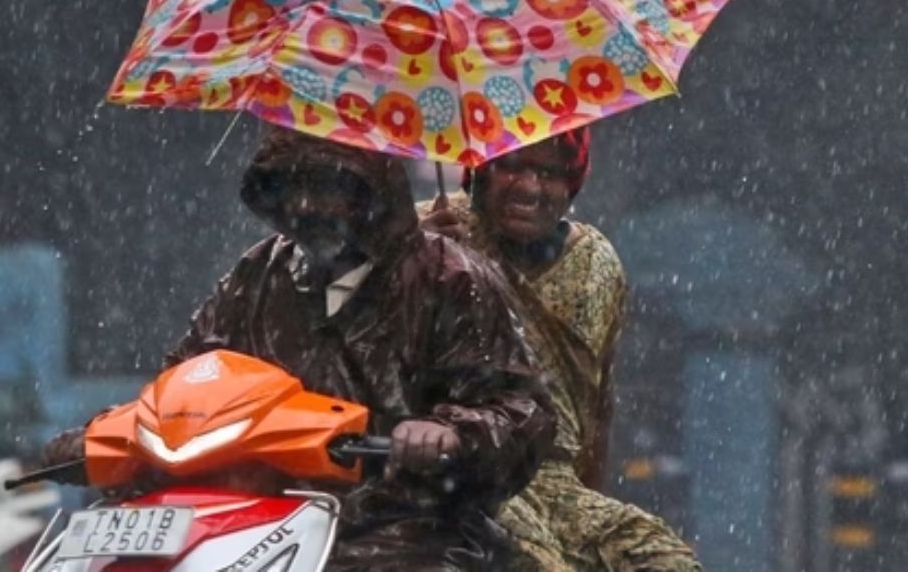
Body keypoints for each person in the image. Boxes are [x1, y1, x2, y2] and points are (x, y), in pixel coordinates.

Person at [45, 128, 554, 571]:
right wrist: (113, 435)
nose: (308, 205)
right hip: (244, 522)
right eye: (293, 186)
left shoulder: (450, 279)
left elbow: (520, 411)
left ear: (373, 192)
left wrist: (449, 435)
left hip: (397, 532)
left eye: (329, 186)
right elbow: (182, 386)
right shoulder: (256, 273)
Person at [419, 128, 701, 571]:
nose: (530, 188)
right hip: (465, 473)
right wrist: (414, 264)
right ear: (480, 172)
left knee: (665, 562)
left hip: (556, 484)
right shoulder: (427, 233)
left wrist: (592, 507)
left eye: (550, 173)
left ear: (572, 185)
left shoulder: (596, 264)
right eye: (513, 166)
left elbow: (595, 407)